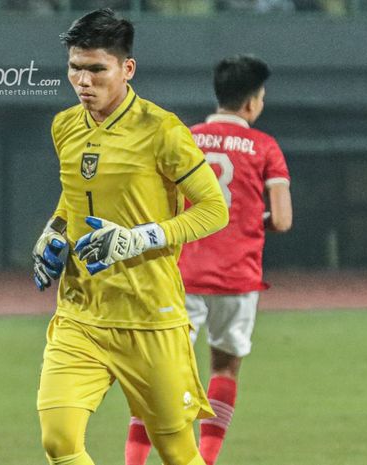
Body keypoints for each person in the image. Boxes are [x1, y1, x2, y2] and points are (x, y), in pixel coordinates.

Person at [32, 8, 230, 465]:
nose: (83, 81)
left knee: (178, 452)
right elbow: (74, 198)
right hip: (80, 314)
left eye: (97, 69)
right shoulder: (64, 126)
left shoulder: (161, 131)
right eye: (75, 68)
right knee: (58, 440)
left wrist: (140, 238)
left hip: (149, 317)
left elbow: (215, 209)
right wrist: (52, 232)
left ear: (127, 68)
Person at [124, 55, 292, 465]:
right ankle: (206, 459)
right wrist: (251, 222)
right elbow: (283, 219)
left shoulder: (184, 138)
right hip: (237, 278)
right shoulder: (265, 146)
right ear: (251, 103)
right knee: (223, 369)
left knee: (158, 375)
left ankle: (134, 463)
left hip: (179, 275)